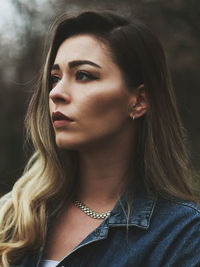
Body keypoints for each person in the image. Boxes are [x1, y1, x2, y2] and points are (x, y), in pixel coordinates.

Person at [0, 10, 200, 267]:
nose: (56, 93)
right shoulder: (15, 219)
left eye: (83, 75)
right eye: (55, 78)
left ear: (139, 101)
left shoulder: (181, 236)